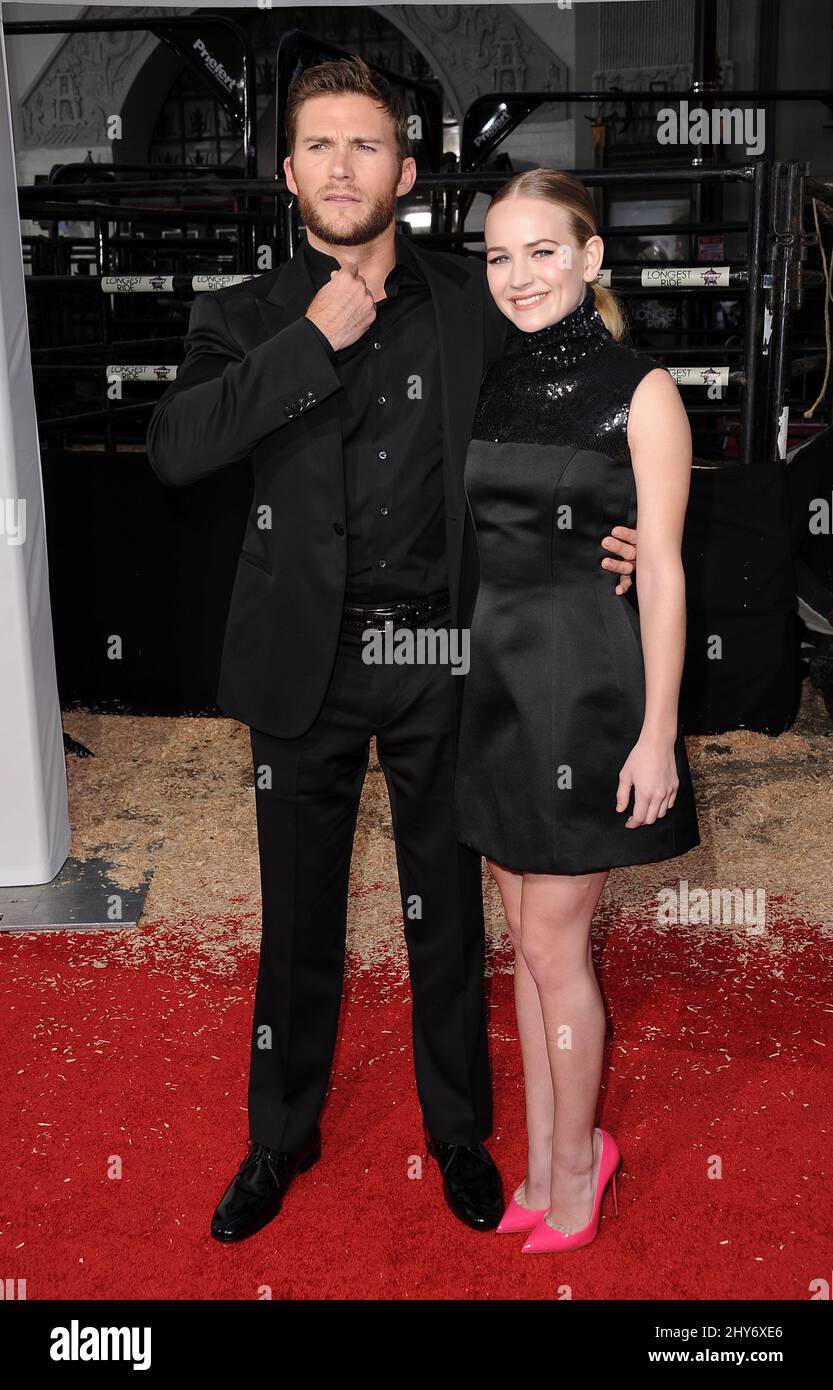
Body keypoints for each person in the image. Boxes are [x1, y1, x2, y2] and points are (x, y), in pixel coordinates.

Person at [145, 58, 641, 1243]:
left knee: (447, 913)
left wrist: (620, 530)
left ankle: (458, 1130)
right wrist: (310, 342)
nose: (341, 165)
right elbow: (175, 449)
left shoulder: (473, 299)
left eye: (365, 146)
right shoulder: (241, 318)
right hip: (299, 663)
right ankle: (280, 1135)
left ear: (405, 173)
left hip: (446, 651)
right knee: (297, 915)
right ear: (287, 174)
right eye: (319, 145)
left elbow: (575, 410)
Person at [452, 168, 700, 1253]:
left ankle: (572, 1165)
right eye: (499, 255)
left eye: (541, 250)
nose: (517, 275)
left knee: (554, 942)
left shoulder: (640, 389)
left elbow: (665, 568)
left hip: (586, 688)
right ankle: (553, 1149)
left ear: (591, 257)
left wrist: (656, 733)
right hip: (496, 683)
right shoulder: (494, 378)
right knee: (523, 942)